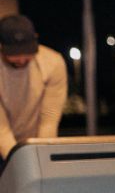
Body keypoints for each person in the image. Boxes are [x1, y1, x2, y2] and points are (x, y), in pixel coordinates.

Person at [0, 14, 67, 166]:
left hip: (34, 143)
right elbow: (1, 129)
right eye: (14, 54)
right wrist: (20, 163)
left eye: (28, 51)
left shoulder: (53, 63)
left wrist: (42, 157)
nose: (22, 59)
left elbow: (49, 118)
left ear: (36, 39)